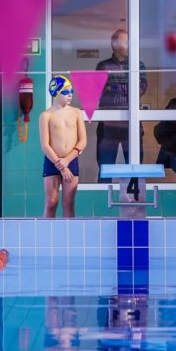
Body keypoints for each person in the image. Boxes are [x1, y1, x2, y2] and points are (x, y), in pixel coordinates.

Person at [95, 29, 148, 183]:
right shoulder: (103, 66)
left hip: (131, 125)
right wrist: (127, 88)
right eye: (126, 42)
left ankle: (134, 199)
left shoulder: (138, 65)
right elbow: (99, 91)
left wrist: (113, 87)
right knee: (105, 170)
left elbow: (141, 89)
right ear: (115, 44)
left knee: (134, 170)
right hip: (108, 127)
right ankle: (102, 199)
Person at [39, 75, 87, 218]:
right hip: (52, 161)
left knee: (68, 203)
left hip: (70, 160)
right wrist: (61, 165)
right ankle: (46, 232)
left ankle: (68, 233)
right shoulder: (46, 115)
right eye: (66, 92)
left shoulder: (76, 113)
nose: (70, 95)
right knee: (51, 202)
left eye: (71, 91)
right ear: (56, 93)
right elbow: (45, 145)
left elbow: (83, 141)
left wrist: (66, 161)